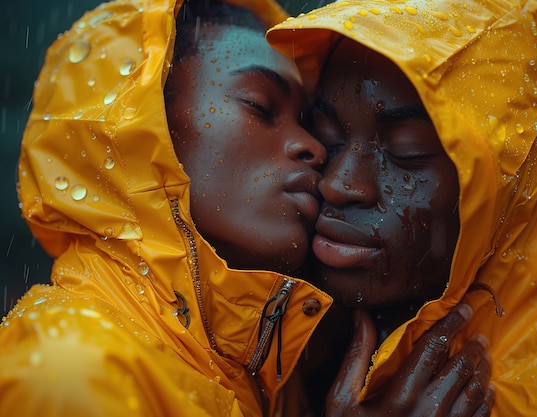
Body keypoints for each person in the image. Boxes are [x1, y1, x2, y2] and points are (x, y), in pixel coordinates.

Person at [0, 0, 493, 416]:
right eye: (260, 106)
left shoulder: (272, 369)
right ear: (135, 126)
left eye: (308, 123)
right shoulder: (70, 367)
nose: (316, 150)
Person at [267, 0, 537, 415]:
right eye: (327, 135)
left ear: (516, 191)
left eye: (407, 152)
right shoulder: (256, 328)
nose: (338, 183)